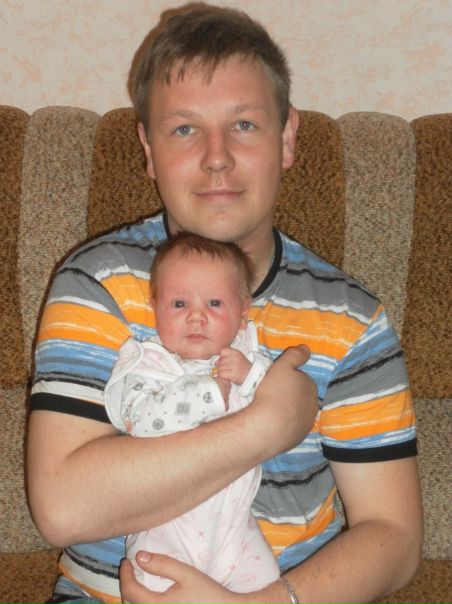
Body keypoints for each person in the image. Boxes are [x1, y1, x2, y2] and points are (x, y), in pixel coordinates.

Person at [27, 4, 423, 604]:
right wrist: (264, 426)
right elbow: (62, 508)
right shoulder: (97, 282)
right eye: (185, 129)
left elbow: (394, 536)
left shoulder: (352, 319)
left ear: (287, 137)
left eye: (243, 124)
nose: (217, 157)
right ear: (148, 148)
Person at [104, 232, 280, 593]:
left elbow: (281, 404)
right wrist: (206, 394)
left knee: (267, 583)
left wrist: (250, 374)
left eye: (214, 303)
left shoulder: (247, 357)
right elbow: (139, 419)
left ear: (242, 312)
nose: (197, 317)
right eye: (179, 304)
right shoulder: (149, 363)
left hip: (235, 532)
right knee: (152, 583)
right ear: (155, 308)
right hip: (165, 530)